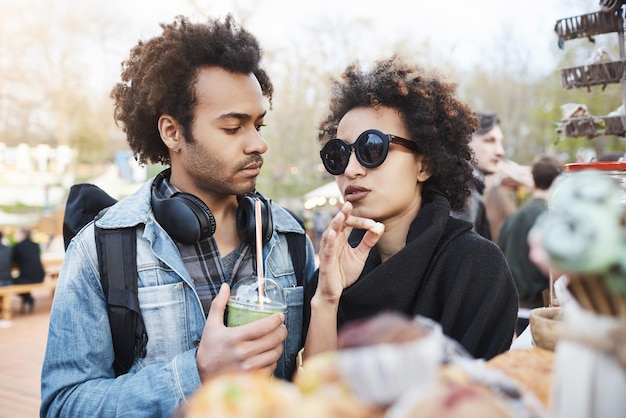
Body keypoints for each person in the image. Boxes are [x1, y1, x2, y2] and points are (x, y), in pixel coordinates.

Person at [41, 15, 316, 417]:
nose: (259, 144)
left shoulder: (289, 238)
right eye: (233, 127)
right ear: (173, 133)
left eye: (258, 124)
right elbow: (62, 406)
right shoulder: (101, 248)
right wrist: (195, 375)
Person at [304, 55, 518, 362]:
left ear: (425, 164)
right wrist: (326, 299)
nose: (351, 169)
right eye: (338, 154)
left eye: (371, 149)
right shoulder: (330, 271)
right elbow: (316, 397)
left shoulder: (474, 267)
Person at [498, 154, 562, 336]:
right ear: (557, 179)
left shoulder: (511, 219)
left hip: (516, 309)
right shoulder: (553, 219)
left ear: (533, 179)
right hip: (545, 312)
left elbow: (500, 257)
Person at [452, 112, 505, 240]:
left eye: (500, 142)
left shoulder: (465, 187)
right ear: (464, 142)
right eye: (489, 140)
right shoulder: (461, 192)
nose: (500, 152)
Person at [11, 227, 46, 313]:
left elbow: (12, 260)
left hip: (26, 278)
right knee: (23, 279)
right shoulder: (36, 245)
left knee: (12, 282)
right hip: (40, 276)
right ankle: (28, 299)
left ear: (23, 234)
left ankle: (28, 299)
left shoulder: (18, 246)